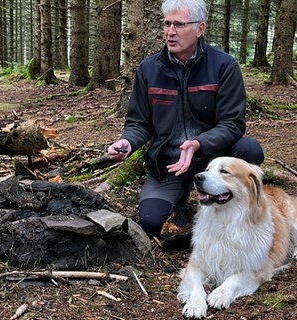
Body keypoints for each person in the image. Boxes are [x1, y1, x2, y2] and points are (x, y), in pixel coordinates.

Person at [107, 0, 264, 236]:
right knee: (151, 222)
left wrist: (198, 143)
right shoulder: (148, 70)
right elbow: (139, 123)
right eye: (167, 24)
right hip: (169, 164)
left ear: (200, 28)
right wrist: (127, 142)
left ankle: (230, 200)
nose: (170, 32)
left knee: (250, 150)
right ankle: (180, 198)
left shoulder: (224, 66)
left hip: (214, 160)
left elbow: (232, 124)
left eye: (179, 25)